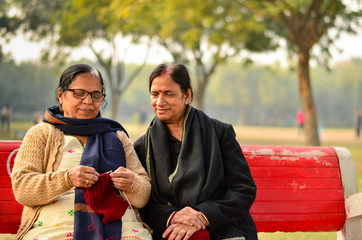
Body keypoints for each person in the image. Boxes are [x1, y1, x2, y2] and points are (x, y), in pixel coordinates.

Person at [11, 64, 152, 240]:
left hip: (121, 228)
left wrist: (131, 183)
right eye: (79, 93)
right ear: (61, 95)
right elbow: (22, 188)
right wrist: (67, 179)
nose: (88, 101)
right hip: (56, 228)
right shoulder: (41, 134)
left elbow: (144, 193)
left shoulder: (118, 137)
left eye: (96, 95)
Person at [134, 63, 258, 240]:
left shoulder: (219, 133)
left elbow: (243, 189)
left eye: (169, 94)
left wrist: (203, 215)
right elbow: (140, 202)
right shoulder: (142, 147)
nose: (160, 102)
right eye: (155, 94)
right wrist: (172, 216)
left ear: (187, 95)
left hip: (221, 225)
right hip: (170, 230)